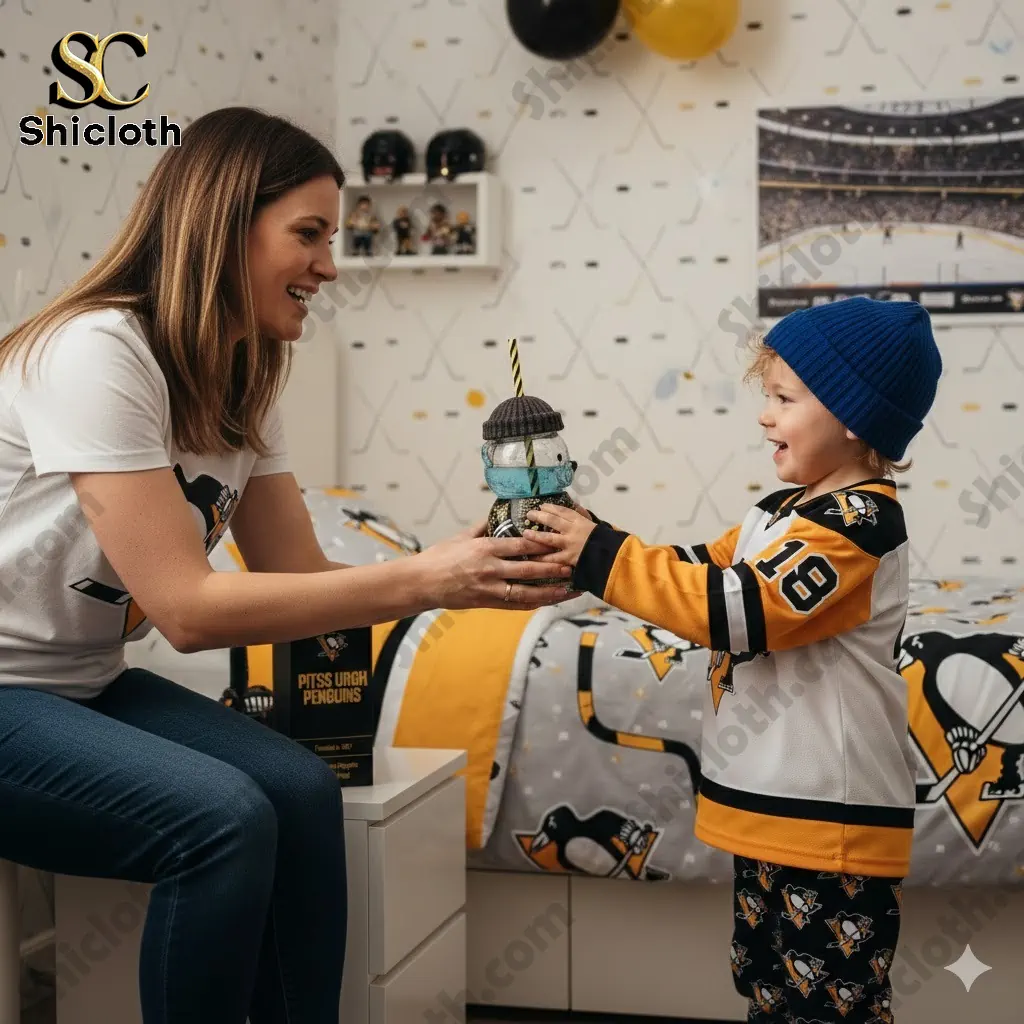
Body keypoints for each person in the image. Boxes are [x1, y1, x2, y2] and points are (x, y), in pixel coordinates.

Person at [0, 106, 574, 1024]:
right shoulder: (97, 351)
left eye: (331, 237)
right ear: (223, 226)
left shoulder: (242, 372)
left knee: (301, 789)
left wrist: (472, 565)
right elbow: (185, 610)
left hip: (78, 682)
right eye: (307, 234)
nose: (329, 266)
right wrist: (429, 576)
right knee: (221, 819)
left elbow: (304, 582)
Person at [525, 298, 943, 1023]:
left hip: (830, 826)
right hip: (775, 817)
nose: (764, 415)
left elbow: (737, 610)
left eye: (784, 398)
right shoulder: (780, 511)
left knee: (826, 1011)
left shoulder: (859, 523)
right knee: (769, 995)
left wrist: (600, 556)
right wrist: (597, 540)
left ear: (851, 416)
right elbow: (695, 570)